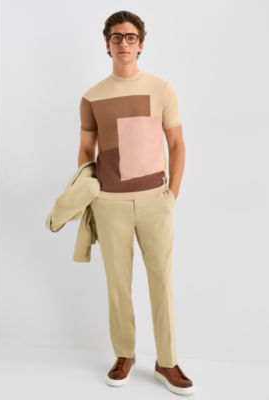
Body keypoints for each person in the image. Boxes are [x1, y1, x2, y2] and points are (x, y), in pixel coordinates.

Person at [77, 10, 194, 395]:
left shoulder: (162, 89)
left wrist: (171, 195)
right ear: (107, 44)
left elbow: (176, 145)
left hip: (154, 201)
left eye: (130, 37)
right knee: (118, 283)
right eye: (116, 37)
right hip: (109, 203)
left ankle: (167, 361)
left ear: (140, 44)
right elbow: (86, 151)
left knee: (162, 281)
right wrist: (91, 195)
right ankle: (124, 355)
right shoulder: (92, 97)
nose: (123, 43)